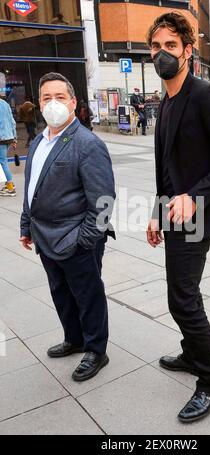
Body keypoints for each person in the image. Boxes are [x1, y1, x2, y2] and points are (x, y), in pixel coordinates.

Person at [146, 12, 210, 423]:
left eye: (171, 46)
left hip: (197, 213)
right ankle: (192, 354)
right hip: (173, 211)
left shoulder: (205, 94)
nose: (162, 54)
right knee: (183, 291)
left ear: (189, 51)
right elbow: (167, 167)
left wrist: (195, 197)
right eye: (156, 47)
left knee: (182, 298)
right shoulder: (167, 101)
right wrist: (157, 213)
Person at [20, 72, 116, 382]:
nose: (53, 104)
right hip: (45, 236)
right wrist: (26, 225)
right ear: (38, 103)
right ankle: (74, 339)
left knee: (88, 296)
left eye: (60, 97)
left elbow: (104, 200)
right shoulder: (38, 141)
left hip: (77, 238)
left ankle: (95, 349)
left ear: (73, 102)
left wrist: (85, 239)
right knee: (61, 293)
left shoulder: (87, 143)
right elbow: (31, 187)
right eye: (46, 98)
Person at [0, 97, 17, 197]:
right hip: (8, 136)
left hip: (1, 138)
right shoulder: (5, 104)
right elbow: (12, 121)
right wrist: (14, 138)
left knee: (3, 161)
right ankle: (9, 185)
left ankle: (10, 188)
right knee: (3, 161)